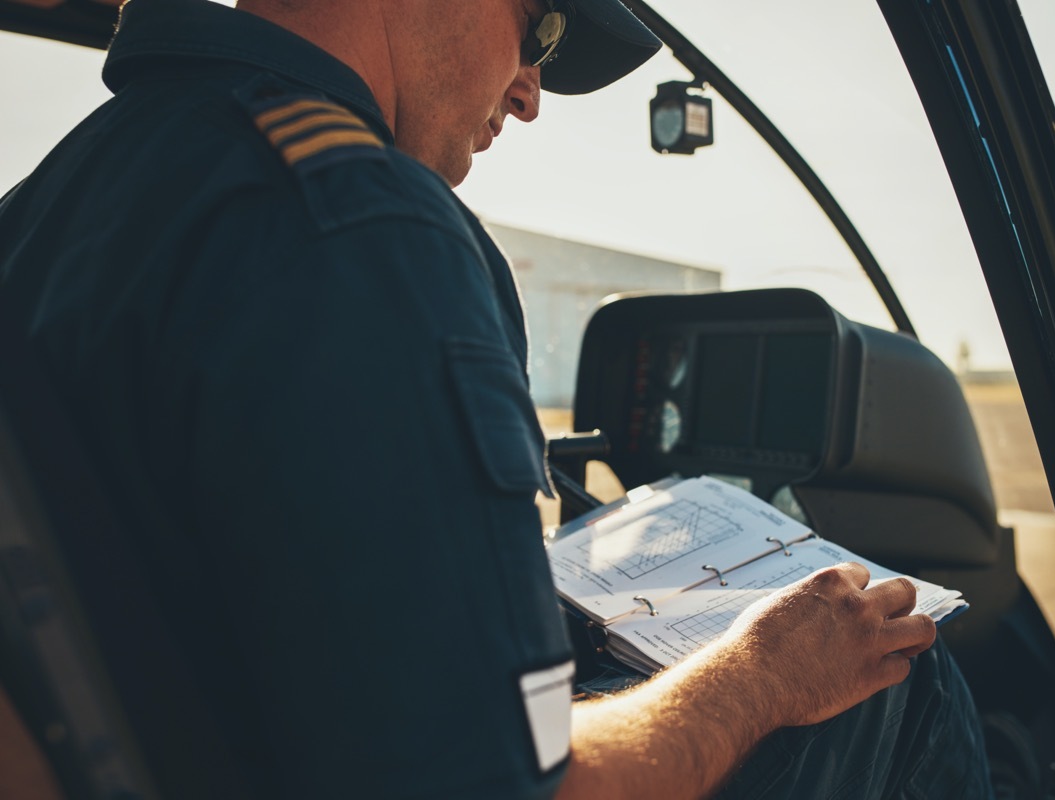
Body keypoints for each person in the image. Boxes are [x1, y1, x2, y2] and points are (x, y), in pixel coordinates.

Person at [0, 0, 993, 797]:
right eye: (542, 27)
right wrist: (762, 670)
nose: (529, 94)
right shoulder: (361, 227)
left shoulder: (52, 205)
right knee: (887, 670)